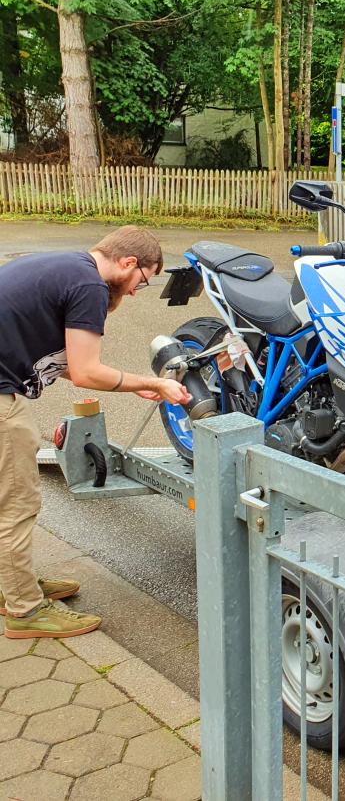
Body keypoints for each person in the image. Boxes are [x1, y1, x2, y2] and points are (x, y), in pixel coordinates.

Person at [0, 226, 190, 640]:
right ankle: (25, 610)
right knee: (17, 504)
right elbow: (86, 372)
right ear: (128, 262)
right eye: (142, 280)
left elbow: (67, 363)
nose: (136, 292)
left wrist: (134, 384)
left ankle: (15, 585)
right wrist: (154, 383)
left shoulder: (68, 267)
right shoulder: (90, 286)